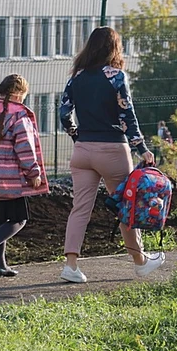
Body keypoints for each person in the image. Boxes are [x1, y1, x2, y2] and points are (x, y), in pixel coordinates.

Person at [58, 26, 165, 283]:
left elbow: (64, 113)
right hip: (112, 150)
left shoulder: (77, 76)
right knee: (126, 207)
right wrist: (142, 148)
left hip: (82, 152)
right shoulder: (116, 77)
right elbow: (127, 116)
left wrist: (77, 136)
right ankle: (140, 262)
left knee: (80, 209)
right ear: (114, 48)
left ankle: (70, 265)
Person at [0, 74, 49, 277]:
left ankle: (0, 264)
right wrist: (33, 173)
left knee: (2, 217)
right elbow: (24, 147)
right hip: (10, 179)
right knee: (19, 219)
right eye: (23, 95)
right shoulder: (19, 116)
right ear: (17, 93)